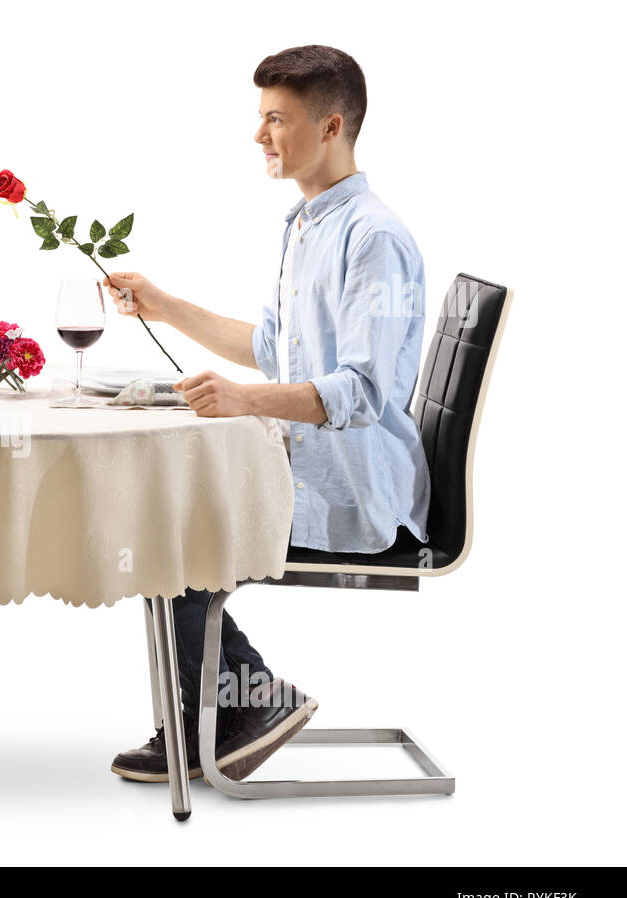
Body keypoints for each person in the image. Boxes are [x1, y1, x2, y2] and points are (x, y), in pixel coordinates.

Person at [105, 45, 430, 783]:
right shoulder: (307, 224)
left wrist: (243, 400)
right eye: (260, 119)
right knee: (159, 509)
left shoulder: (373, 238)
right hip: (309, 467)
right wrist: (164, 304)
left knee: (169, 528)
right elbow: (274, 347)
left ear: (331, 126)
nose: (259, 137)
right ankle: (214, 717)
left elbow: (362, 392)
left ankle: (245, 705)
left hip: (354, 494)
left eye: (276, 120)